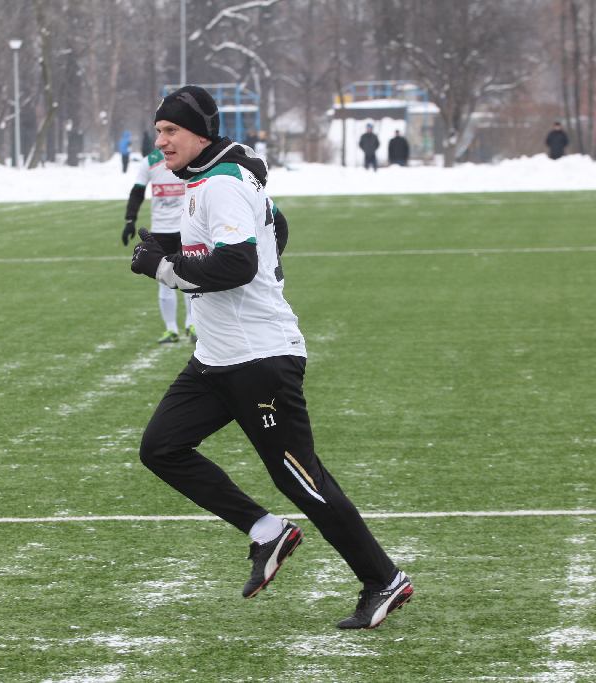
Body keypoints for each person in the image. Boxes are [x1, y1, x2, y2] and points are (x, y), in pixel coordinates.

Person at [129, 85, 413, 630]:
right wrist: (174, 252)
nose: (159, 140)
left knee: (299, 478)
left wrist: (162, 269)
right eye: (159, 130)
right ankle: (267, 533)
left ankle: (384, 579)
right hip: (217, 357)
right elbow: (274, 226)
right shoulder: (209, 180)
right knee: (162, 448)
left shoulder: (223, 184)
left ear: (200, 134)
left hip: (259, 358)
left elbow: (236, 265)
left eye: (170, 131)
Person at [122, 143, 196, 344]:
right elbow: (137, 191)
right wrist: (130, 220)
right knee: (165, 280)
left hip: (186, 228)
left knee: (190, 277)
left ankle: (192, 324)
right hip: (161, 232)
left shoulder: (187, 156)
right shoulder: (150, 162)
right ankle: (172, 329)